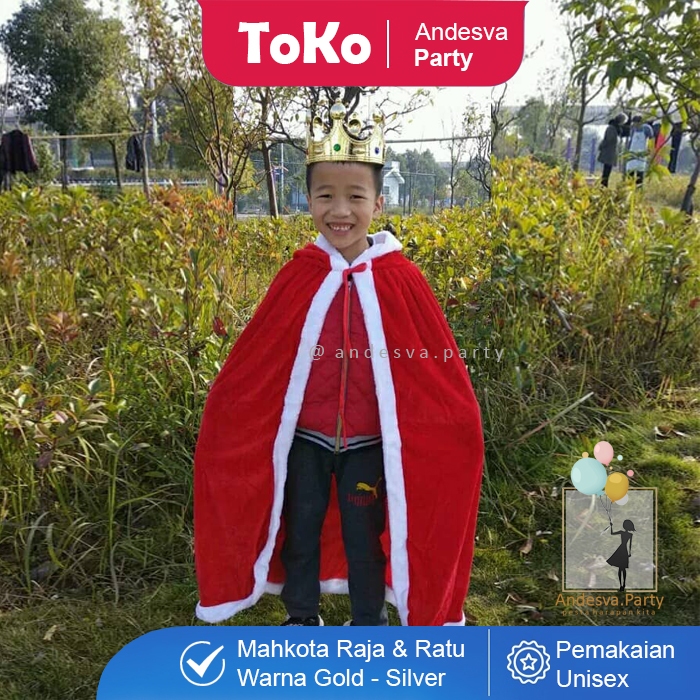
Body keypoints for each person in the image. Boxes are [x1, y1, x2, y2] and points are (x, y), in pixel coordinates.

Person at [193, 100, 484, 626]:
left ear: (379, 202)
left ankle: (368, 623)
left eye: (355, 196)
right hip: (306, 441)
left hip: (368, 446)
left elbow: (434, 371)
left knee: (363, 536)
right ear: (308, 200)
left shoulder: (401, 280)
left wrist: (457, 426)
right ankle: (301, 618)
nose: (340, 210)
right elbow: (257, 364)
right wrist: (229, 414)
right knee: (301, 530)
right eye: (325, 195)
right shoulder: (298, 275)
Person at [598, 114, 626, 187]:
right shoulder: (612, 128)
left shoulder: (615, 128)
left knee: (607, 171)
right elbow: (608, 140)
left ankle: (604, 186)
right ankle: (603, 186)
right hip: (608, 153)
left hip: (610, 153)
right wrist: (601, 146)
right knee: (606, 172)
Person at [607, 519, 635, 591]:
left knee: (621, 568)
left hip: (622, 550)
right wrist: (629, 553)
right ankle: (622, 585)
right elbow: (630, 545)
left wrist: (611, 526)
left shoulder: (623, 533)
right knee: (622, 568)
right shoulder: (629, 534)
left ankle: (622, 585)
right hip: (624, 550)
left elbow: (612, 533)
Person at [625, 116, 654, 186]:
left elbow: (651, 139)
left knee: (640, 173)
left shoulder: (647, 128)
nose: (634, 124)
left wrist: (650, 150)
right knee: (630, 172)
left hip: (642, 153)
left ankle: (639, 188)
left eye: (635, 123)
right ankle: (630, 188)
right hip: (632, 152)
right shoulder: (633, 129)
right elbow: (630, 140)